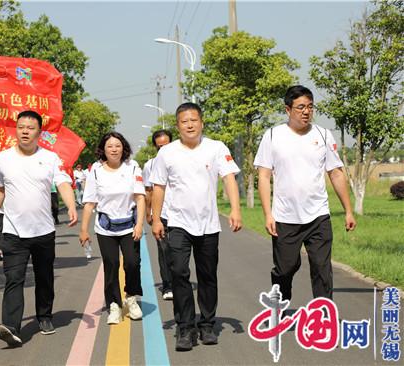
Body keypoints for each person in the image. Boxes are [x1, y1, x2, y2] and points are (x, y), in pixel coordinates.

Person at [150, 102, 242, 351]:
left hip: (209, 224)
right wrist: (156, 218)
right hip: (178, 223)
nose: (189, 125)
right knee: (179, 272)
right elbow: (158, 187)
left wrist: (235, 209)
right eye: (184, 121)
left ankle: (207, 325)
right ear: (178, 125)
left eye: (194, 120)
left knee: (207, 275)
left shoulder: (216, 147)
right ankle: (185, 327)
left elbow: (229, 178)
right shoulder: (166, 152)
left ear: (201, 122)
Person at [254, 85, 356, 304]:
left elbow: (336, 173)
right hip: (285, 217)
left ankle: (323, 314)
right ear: (288, 109)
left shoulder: (323, 135)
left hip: (318, 215)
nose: (306, 112)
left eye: (310, 107)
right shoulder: (273, 135)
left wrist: (348, 210)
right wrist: (268, 214)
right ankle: (280, 300)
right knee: (285, 268)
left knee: (321, 267)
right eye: (300, 107)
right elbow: (263, 176)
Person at [0, 110, 77, 347]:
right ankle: (11, 327)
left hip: (43, 230)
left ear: (39, 132)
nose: (25, 131)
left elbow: (63, 183)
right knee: (13, 278)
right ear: (16, 130)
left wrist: (71, 205)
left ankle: (44, 316)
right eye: (21, 127)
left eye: (30, 127)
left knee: (44, 277)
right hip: (13, 231)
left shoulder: (50, 157)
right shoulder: (3, 158)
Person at [79, 132, 146, 325]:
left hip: (129, 226)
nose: (114, 149)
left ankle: (131, 298)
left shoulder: (133, 168)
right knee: (111, 264)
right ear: (103, 150)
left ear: (123, 148)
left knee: (132, 263)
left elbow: (140, 198)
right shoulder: (96, 171)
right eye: (110, 146)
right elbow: (90, 203)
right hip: (105, 227)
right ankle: (114, 305)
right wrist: (84, 230)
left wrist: (140, 224)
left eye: (118, 146)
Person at [142, 129, 173, 301]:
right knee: (164, 250)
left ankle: (179, 282)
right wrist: (150, 214)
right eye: (159, 146)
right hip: (161, 214)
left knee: (178, 252)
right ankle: (168, 285)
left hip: (181, 215)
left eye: (166, 145)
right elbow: (148, 191)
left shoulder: (181, 161)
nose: (163, 149)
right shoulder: (150, 165)